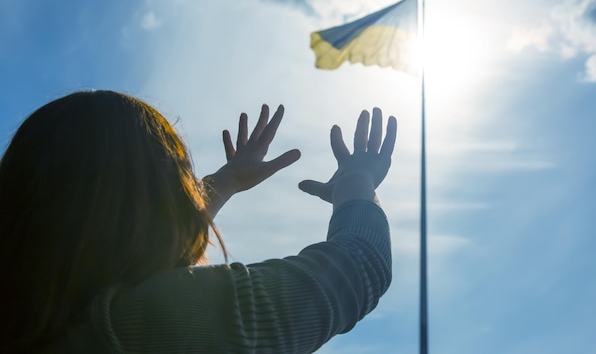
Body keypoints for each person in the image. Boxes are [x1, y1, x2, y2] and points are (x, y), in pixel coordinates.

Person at [0, 90, 397, 354]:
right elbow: (359, 265)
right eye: (179, 176)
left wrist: (222, 183)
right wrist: (355, 182)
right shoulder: (146, 322)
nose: (189, 186)